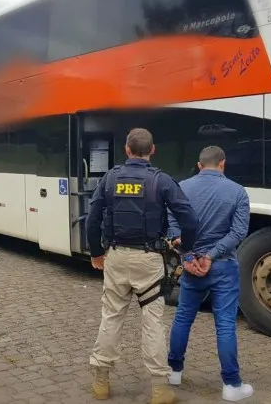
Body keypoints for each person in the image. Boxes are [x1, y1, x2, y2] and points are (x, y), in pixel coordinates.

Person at [86, 128, 198, 404]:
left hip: (116, 257)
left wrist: (97, 253)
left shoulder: (110, 178)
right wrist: (186, 247)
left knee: (111, 316)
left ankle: (101, 381)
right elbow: (189, 219)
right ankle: (159, 389)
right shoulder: (161, 181)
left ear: (126, 150)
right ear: (153, 150)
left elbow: (93, 218)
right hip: (149, 261)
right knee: (153, 322)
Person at [165, 145, 254, 402]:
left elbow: (172, 224)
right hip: (223, 265)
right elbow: (238, 232)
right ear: (223, 164)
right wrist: (211, 255)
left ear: (199, 164)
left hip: (192, 266)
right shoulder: (237, 192)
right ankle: (231, 385)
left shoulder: (182, 188)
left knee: (183, 318)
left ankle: (174, 371)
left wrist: (189, 256)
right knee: (225, 324)